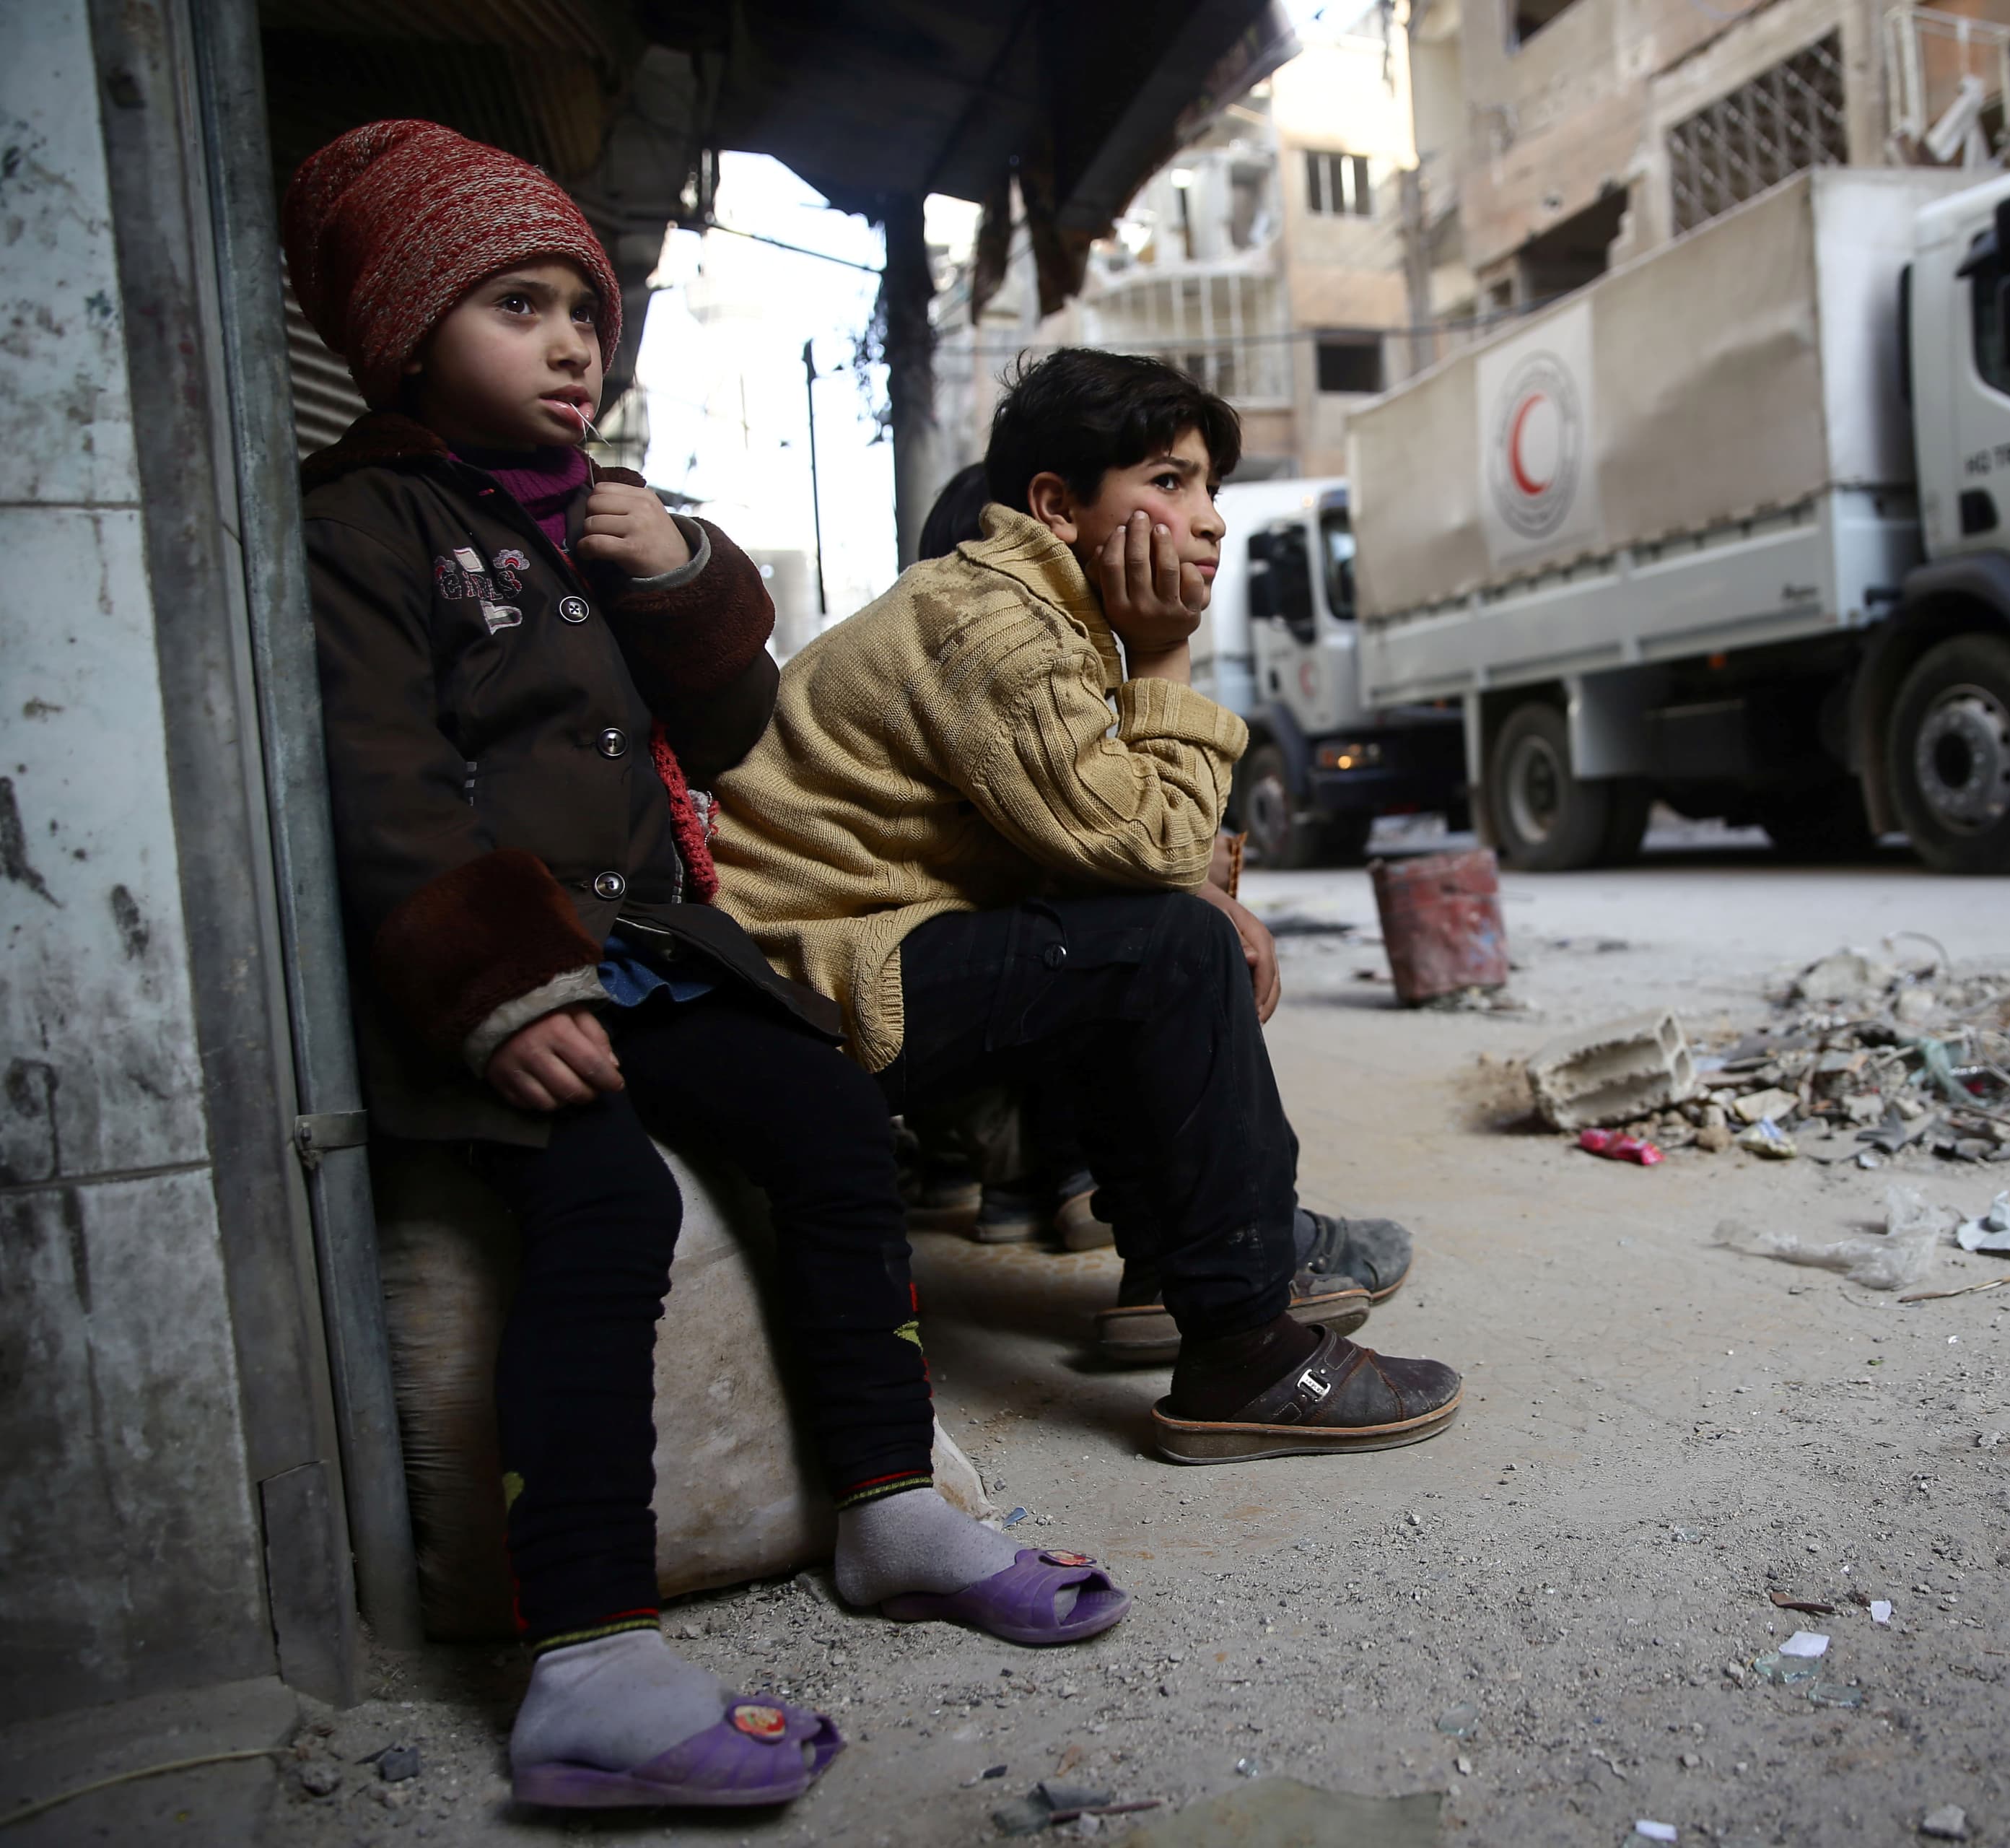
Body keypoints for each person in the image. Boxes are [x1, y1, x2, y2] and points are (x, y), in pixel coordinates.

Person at [286, 123, 1124, 1812]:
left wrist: (683, 578)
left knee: (832, 1120)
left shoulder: (610, 520)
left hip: (657, 947)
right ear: (405, 333)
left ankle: (889, 1504)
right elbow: (379, 778)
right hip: (508, 968)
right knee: (605, 1204)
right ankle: (587, 1656)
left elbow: (737, 729)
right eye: (517, 306)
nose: (570, 344)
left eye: (582, 311)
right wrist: (496, 992)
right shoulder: (365, 524)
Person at [711, 350, 1461, 1464]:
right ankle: (1246, 1349)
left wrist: (1191, 890)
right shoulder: (997, 633)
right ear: (1058, 508)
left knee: (1150, 944)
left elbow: (1103, 850)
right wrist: (1166, 656)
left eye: (1211, 488)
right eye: (1168, 482)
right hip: (814, 982)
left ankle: (1185, 1263)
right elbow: (1156, 848)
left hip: (858, 955)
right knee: (1170, 952)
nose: (1208, 519)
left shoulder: (1030, 609)